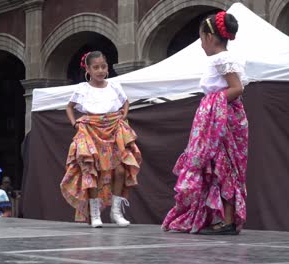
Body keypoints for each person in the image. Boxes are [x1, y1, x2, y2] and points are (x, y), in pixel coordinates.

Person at [162, 11, 248, 235]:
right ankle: (223, 219)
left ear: (209, 37)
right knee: (220, 166)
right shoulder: (224, 59)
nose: (201, 45)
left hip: (221, 120)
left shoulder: (222, 59)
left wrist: (212, 104)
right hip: (220, 116)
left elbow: (236, 88)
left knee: (222, 164)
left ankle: (227, 221)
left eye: (201, 39)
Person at [61, 51, 142, 228]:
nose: (100, 70)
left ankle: (116, 212)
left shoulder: (114, 86)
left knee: (120, 169)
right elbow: (69, 107)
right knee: (91, 170)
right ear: (88, 69)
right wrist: (75, 124)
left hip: (113, 127)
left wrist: (123, 116)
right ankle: (95, 213)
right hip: (91, 128)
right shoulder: (83, 88)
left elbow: (125, 102)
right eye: (96, 67)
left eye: (103, 66)